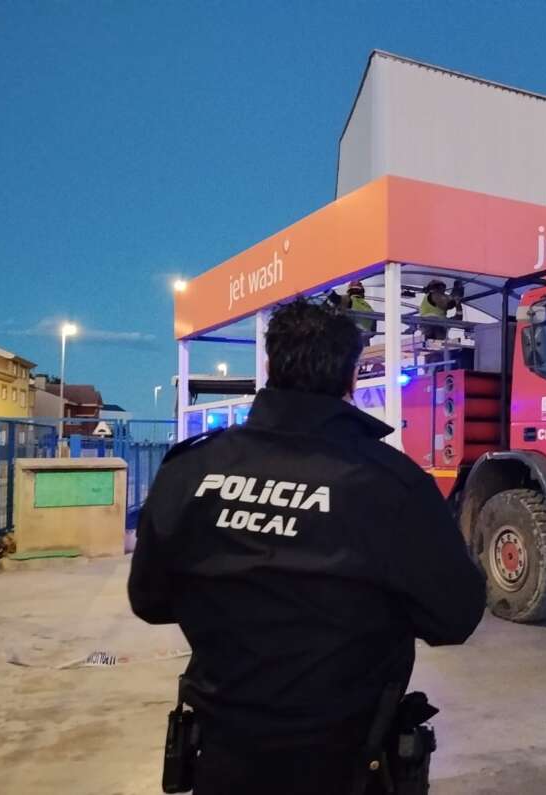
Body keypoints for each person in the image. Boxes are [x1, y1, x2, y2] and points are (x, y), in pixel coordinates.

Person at [128, 297, 486, 795]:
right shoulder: (391, 484)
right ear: (351, 379)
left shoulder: (190, 470)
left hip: (224, 757)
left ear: (270, 367)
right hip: (348, 762)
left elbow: (148, 600)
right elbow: (455, 617)